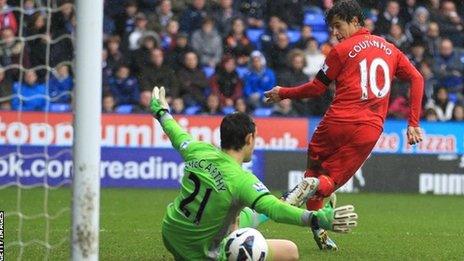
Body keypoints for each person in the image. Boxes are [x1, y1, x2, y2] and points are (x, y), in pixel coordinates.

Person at [264, 0, 424, 250]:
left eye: (338, 26)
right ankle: (314, 192)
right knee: (327, 182)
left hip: (334, 122)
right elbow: (417, 77)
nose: (335, 33)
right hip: (367, 129)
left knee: (313, 175)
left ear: (355, 22)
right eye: (331, 29)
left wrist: (283, 92)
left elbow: (316, 88)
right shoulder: (390, 49)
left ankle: (319, 231)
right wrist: (413, 123)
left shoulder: (340, 51)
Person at [151, 86, 358, 260]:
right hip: (199, 253)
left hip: (170, 234)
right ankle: (288, 200)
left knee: (241, 214)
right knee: (291, 250)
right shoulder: (242, 181)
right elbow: (275, 211)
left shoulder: (198, 150)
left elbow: (175, 131)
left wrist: (161, 112)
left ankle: (289, 199)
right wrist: (317, 218)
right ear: (249, 139)